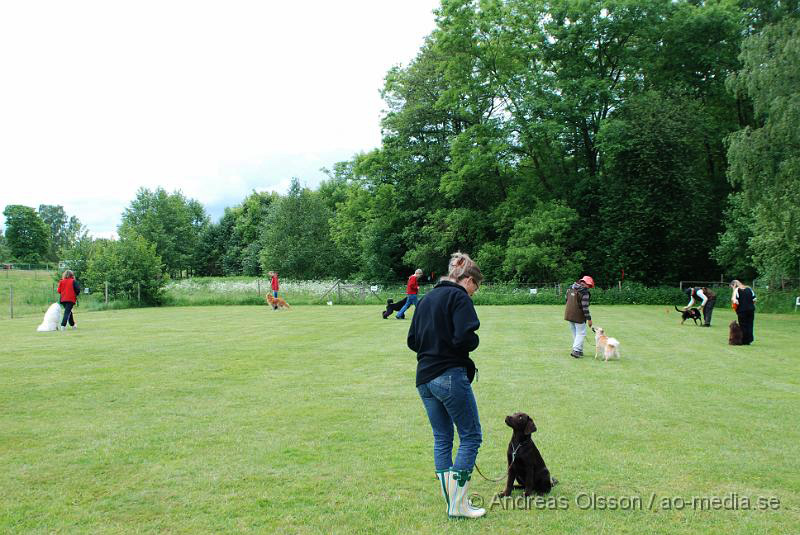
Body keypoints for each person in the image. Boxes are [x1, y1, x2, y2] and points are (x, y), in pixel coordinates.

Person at [408, 252, 486, 518]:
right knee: (471, 436)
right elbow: (465, 337)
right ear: (467, 280)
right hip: (449, 375)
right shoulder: (459, 297)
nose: (475, 292)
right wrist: (470, 345)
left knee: (442, 437)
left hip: (424, 377)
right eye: (476, 286)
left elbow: (412, 341)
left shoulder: (427, 298)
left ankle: (451, 500)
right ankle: (458, 505)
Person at [564, 275, 594, 358]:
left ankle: (579, 350)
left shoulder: (570, 288)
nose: (589, 287)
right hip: (579, 316)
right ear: (585, 283)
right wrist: (589, 319)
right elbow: (585, 307)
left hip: (569, 313)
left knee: (575, 333)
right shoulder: (585, 292)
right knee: (581, 333)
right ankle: (576, 350)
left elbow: (566, 299)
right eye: (589, 285)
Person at [730, 280, 756, 344]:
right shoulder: (749, 289)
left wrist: (733, 290)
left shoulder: (737, 290)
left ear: (734, 285)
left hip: (742, 310)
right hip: (751, 310)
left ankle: (744, 340)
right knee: (750, 325)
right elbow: (754, 299)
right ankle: (749, 340)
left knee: (743, 325)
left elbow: (734, 301)